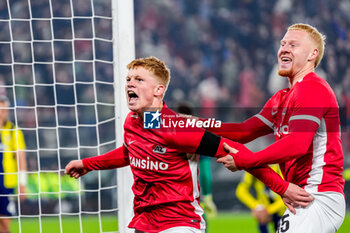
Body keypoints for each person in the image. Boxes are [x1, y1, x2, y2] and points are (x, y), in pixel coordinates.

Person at [65, 57, 309, 233]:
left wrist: (281, 187)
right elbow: (130, 152)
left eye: (139, 79)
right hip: (143, 222)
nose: (130, 83)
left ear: (159, 90)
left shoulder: (177, 129)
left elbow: (236, 150)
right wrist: (88, 164)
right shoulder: (133, 123)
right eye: (128, 79)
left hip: (179, 224)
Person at [212, 24, 345, 233]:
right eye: (282, 44)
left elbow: (297, 144)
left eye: (293, 44)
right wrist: (189, 123)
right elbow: (243, 131)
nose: (284, 48)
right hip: (301, 198)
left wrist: (246, 160)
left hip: (317, 195)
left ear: (313, 54)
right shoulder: (283, 98)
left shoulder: (313, 87)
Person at [0, 95, 27, 233]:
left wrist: (22, 184)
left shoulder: (13, 131)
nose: (1, 113)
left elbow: (21, 158)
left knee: (4, 222)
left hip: (6, 184)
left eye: (4, 110)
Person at [236, 164, 285, 233]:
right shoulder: (253, 166)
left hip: (283, 210)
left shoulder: (282, 167)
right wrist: (256, 206)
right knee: (262, 220)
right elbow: (241, 191)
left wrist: (269, 210)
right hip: (263, 210)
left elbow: (290, 195)